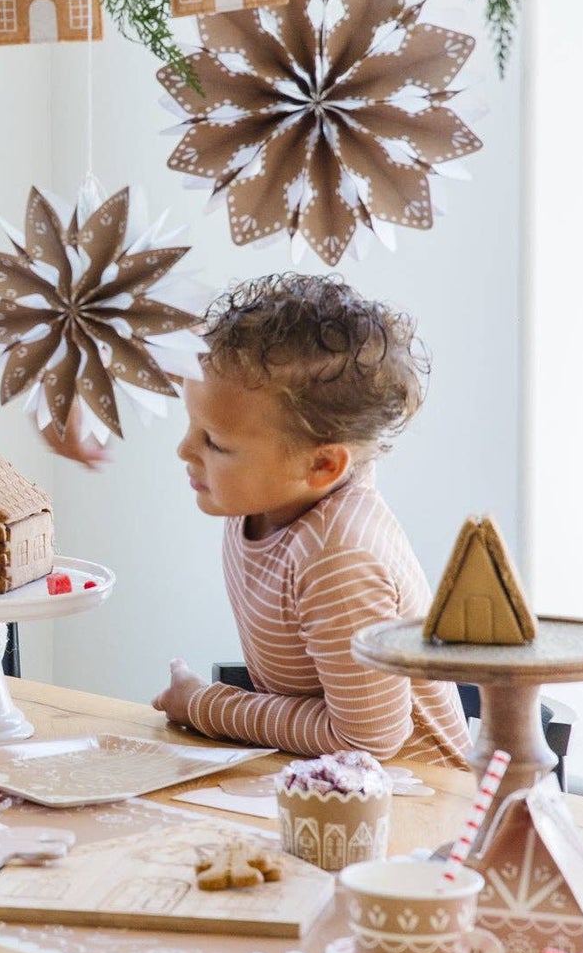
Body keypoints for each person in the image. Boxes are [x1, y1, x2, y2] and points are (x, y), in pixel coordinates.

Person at [152, 273, 469, 766]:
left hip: (415, 806)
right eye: (193, 427)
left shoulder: (337, 555)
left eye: (215, 442)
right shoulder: (259, 504)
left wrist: (203, 704)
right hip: (330, 789)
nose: (185, 450)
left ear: (322, 466)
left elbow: (367, 742)